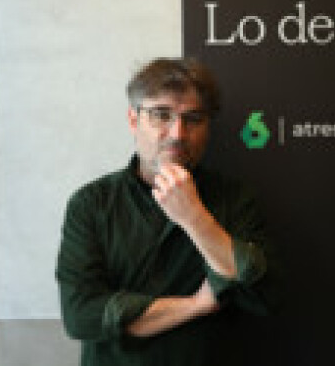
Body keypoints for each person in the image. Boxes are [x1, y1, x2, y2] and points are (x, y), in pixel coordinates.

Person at [56, 58, 277, 366]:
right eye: (161, 115)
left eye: (193, 119)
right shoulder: (91, 204)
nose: (178, 133)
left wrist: (194, 216)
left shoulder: (235, 199)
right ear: (133, 120)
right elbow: (82, 316)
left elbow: (262, 295)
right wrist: (198, 305)